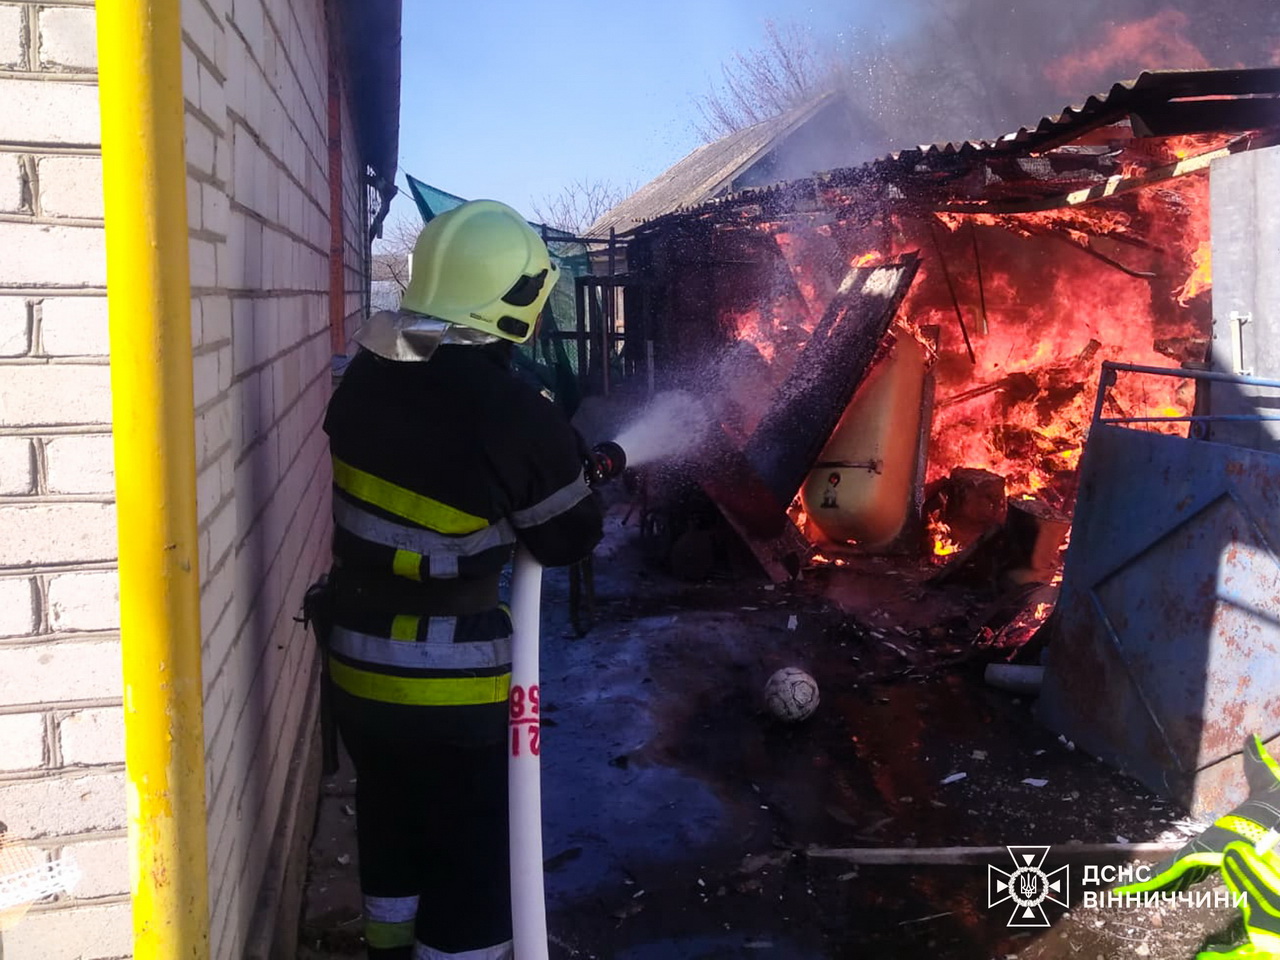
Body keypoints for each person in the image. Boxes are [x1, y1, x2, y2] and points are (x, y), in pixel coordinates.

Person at [321, 199, 604, 960]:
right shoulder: (513, 417)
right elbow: (570, 535)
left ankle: (387, 945)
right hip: (450, 688)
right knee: (472, 858)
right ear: (512, 301)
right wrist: (574, 467)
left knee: (390, 814)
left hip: (353, 667)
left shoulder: (364, 385)